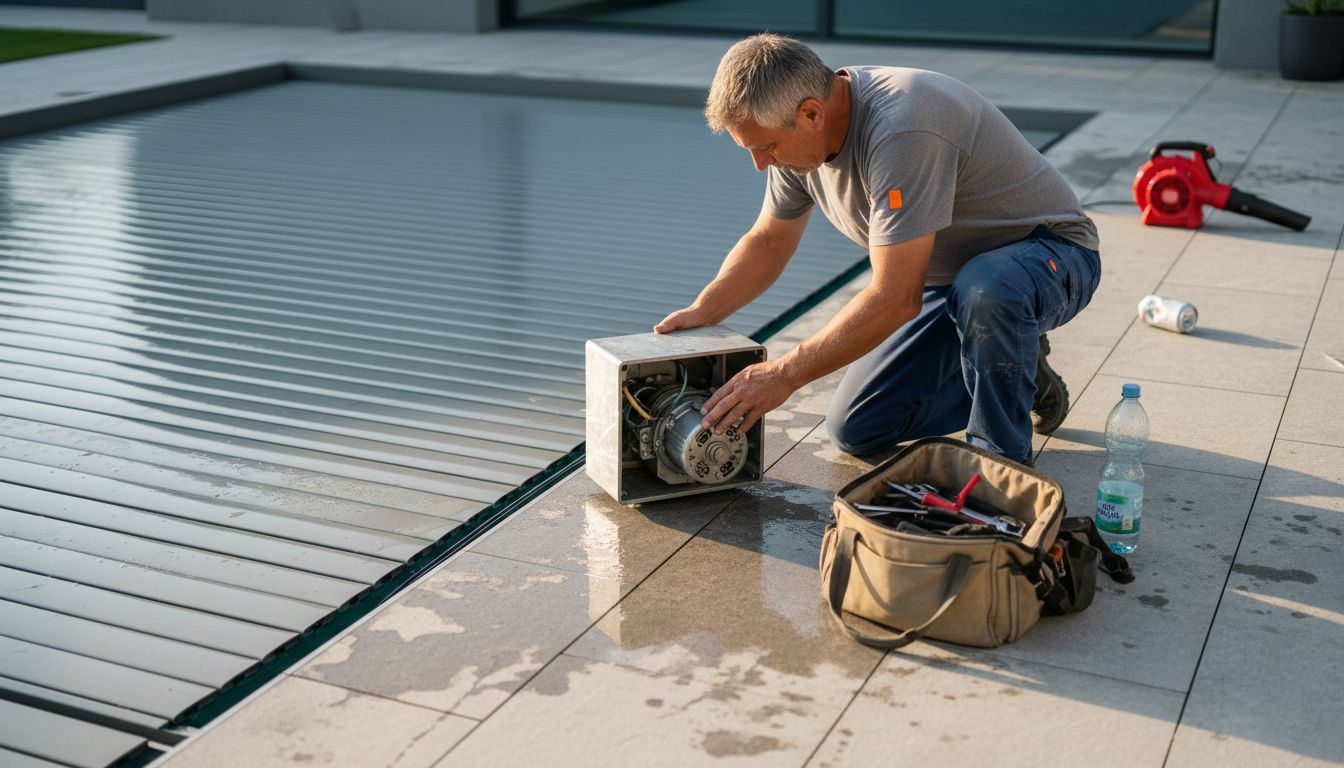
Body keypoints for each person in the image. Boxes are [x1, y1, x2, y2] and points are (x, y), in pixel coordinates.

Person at [654, 33, 1101, 465]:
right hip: (948, 282)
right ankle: (1019, 367)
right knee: (857, 426)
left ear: (811, 114)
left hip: (1047, 257)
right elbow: (770, 241)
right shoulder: (794, 141)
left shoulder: (903, 125)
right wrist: (704, 311)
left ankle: (1000, 468)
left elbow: (894, 297)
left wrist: (784, 375)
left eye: (765, 147)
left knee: (986, 291)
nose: (760, 163)